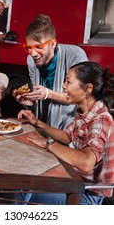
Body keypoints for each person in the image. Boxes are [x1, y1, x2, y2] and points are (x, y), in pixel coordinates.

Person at [15, 61, 114, 205]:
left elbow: (86, 162)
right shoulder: (85, 112)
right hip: (74, 182)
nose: (63, 86)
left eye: (68, 82)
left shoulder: (100, 119)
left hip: (86, 194)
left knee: (24, 187)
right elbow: (67, 136)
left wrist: (48, 143)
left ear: (87, 88)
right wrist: (37, 123)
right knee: (26, 180)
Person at [14, 14, 88, 129]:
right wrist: (30, 101)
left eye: (38, 47)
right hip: (44, 127)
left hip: (71, 130)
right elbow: (39, 93)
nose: (33, 54)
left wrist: (48, 94)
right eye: (29, 47)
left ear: (53, 44)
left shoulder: (75, 56)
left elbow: (81, 97)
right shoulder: (31, 60)